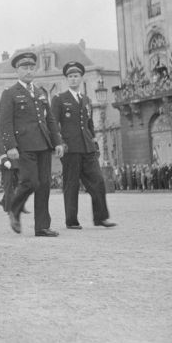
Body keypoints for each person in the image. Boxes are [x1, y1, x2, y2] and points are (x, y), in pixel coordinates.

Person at [0, 50, 65, 236]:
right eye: (24, 68)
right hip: (23, 145)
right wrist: (10, 146)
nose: (28, 71)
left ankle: (42, 226)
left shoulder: (40, 92)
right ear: (17, 71)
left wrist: (57, 142)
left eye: (31, 67)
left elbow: (50, 119)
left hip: (43, 144)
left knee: (44, 185)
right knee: (30, 181)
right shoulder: (10, 94)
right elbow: (4, 123)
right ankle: (14, 208)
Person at [51, 61, 116, 229]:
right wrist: (60, 144)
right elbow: (53, 124)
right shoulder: (59, 99)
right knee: (71, 184)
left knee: (98, 181)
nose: (73, 79)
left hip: (87, 147)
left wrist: (94, 141)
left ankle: (101, 217)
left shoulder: (86, 99)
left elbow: (89, 125)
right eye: (70, 77)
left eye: (76, 76)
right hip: (70, 148)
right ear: (66, 79)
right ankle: (71, 220)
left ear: (81, 78)